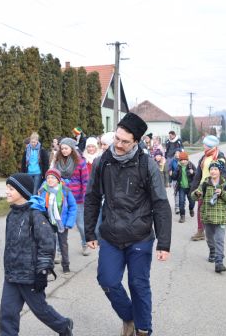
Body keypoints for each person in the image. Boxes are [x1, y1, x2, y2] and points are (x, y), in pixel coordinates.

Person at [85, 112, 172, 336]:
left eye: (125, 141)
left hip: (140, 236)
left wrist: (164, 243)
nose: (119, 145)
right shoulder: (102, 162)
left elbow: (161, 204)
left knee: (138, 285)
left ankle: (143, 329)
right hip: (111, 235)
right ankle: (129, 316)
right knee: (107, 280)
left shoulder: (147, 164)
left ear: (136, 142)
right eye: (117, 139)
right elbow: (92, 197)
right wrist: (90, 233)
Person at [0, 173, 74, 336]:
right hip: (12, 275)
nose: (7, 192)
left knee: (41, 310)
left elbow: (47, 244)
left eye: (11, 189)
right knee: (7, 313)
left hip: (30, 275)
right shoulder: (11, 215)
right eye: (7, 188)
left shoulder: (36, 215)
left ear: (22, 191)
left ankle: (63, 326)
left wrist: (42, 271)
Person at [191, 161, 226, 272]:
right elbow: (194, 196)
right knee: (210, 239)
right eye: (211, 169)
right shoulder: (205, 184)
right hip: (207, 217)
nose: (213, 171)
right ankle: (212, 251)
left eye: (215, 169)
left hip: (221, 218)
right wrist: (197, 194)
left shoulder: (225, 184)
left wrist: (222, 193)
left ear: (220, 171)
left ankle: (219, 262)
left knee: (219, 240)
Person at [52, 137, 89, 256]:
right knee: (60, 223)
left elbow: (85, 181)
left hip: (77, 199)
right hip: (61, 197)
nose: (64, 151)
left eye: (66, 148)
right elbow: (53, 177)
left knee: (80, 224)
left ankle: (85, 243)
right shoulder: (57, 161)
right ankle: (58, 250)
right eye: (62, 148)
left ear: (72, 149)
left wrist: (84, 197)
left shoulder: (80, 162)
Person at [38, 168, 77, 273]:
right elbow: (40, 207)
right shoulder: (43, 190)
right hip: (48, 222)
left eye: (53, 178)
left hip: (62, 223)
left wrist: (69, 222)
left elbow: (73, 207)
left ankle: (66, 265)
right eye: (48, 178)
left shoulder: (65, 191)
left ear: (58, 180)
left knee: (63, 244)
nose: (50, 180)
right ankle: (49, 267)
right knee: (50, 245)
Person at [190, 135, 226, 241]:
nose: (203, 145)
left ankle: (214, 233)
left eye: (204, 144)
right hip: (203, 187)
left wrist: (219, 187)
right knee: (200, 210)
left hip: (213, 188)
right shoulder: (204, 157)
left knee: (212, 210)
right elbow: (198, 174)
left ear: (210, 145)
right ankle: (200, 231)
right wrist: (194, 188)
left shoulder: (219, 156)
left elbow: (223, 173)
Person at [172, 151, 196, 223]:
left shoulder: (191, 165)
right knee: (181, 202)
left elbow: (197, 173)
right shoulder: (178, 167)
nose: (183, 161)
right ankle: (182, 216)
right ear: (179, 160)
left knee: (192, 201)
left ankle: (191, 209)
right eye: (181, 160)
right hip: (181, 187)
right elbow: (174, 177)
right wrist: (174, 172)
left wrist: (193, 172)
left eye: (184, 160)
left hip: (190, 187)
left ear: (187, 159)